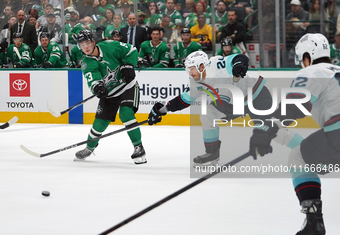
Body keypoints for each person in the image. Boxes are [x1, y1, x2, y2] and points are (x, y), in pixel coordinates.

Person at [249, 33, 340, 235]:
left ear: (308, 56)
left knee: (299, 157)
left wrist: (264, 129)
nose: (302, 63)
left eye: (302, 58)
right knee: (309, 150)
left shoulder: (311, 71)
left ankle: (313, 220)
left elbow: (295, 106)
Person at [148, 50, 272, 167]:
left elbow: (239, 57)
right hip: (235, 104)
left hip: (257, 95)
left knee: (270, 133)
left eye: (192, 69)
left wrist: (239, 64)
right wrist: (161, 111)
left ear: (202, 66)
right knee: (207, 115)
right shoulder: (195, 82)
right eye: (188, 70)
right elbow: (183, 101)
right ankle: (212, 153)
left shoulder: (216, 64)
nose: (190, 73)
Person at [75, 30, 147, 164]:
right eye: (82, 45)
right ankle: (90, 147)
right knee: (99, 124)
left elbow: (132, 50)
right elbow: (92, 79)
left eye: (87, 43)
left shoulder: (109, 46)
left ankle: (139, 147)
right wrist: (97, 87)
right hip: (110, 93)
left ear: (93, 41)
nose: (85, 47)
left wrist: (129, 65)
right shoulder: (86, 63)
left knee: (126, 114)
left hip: (127, 86)